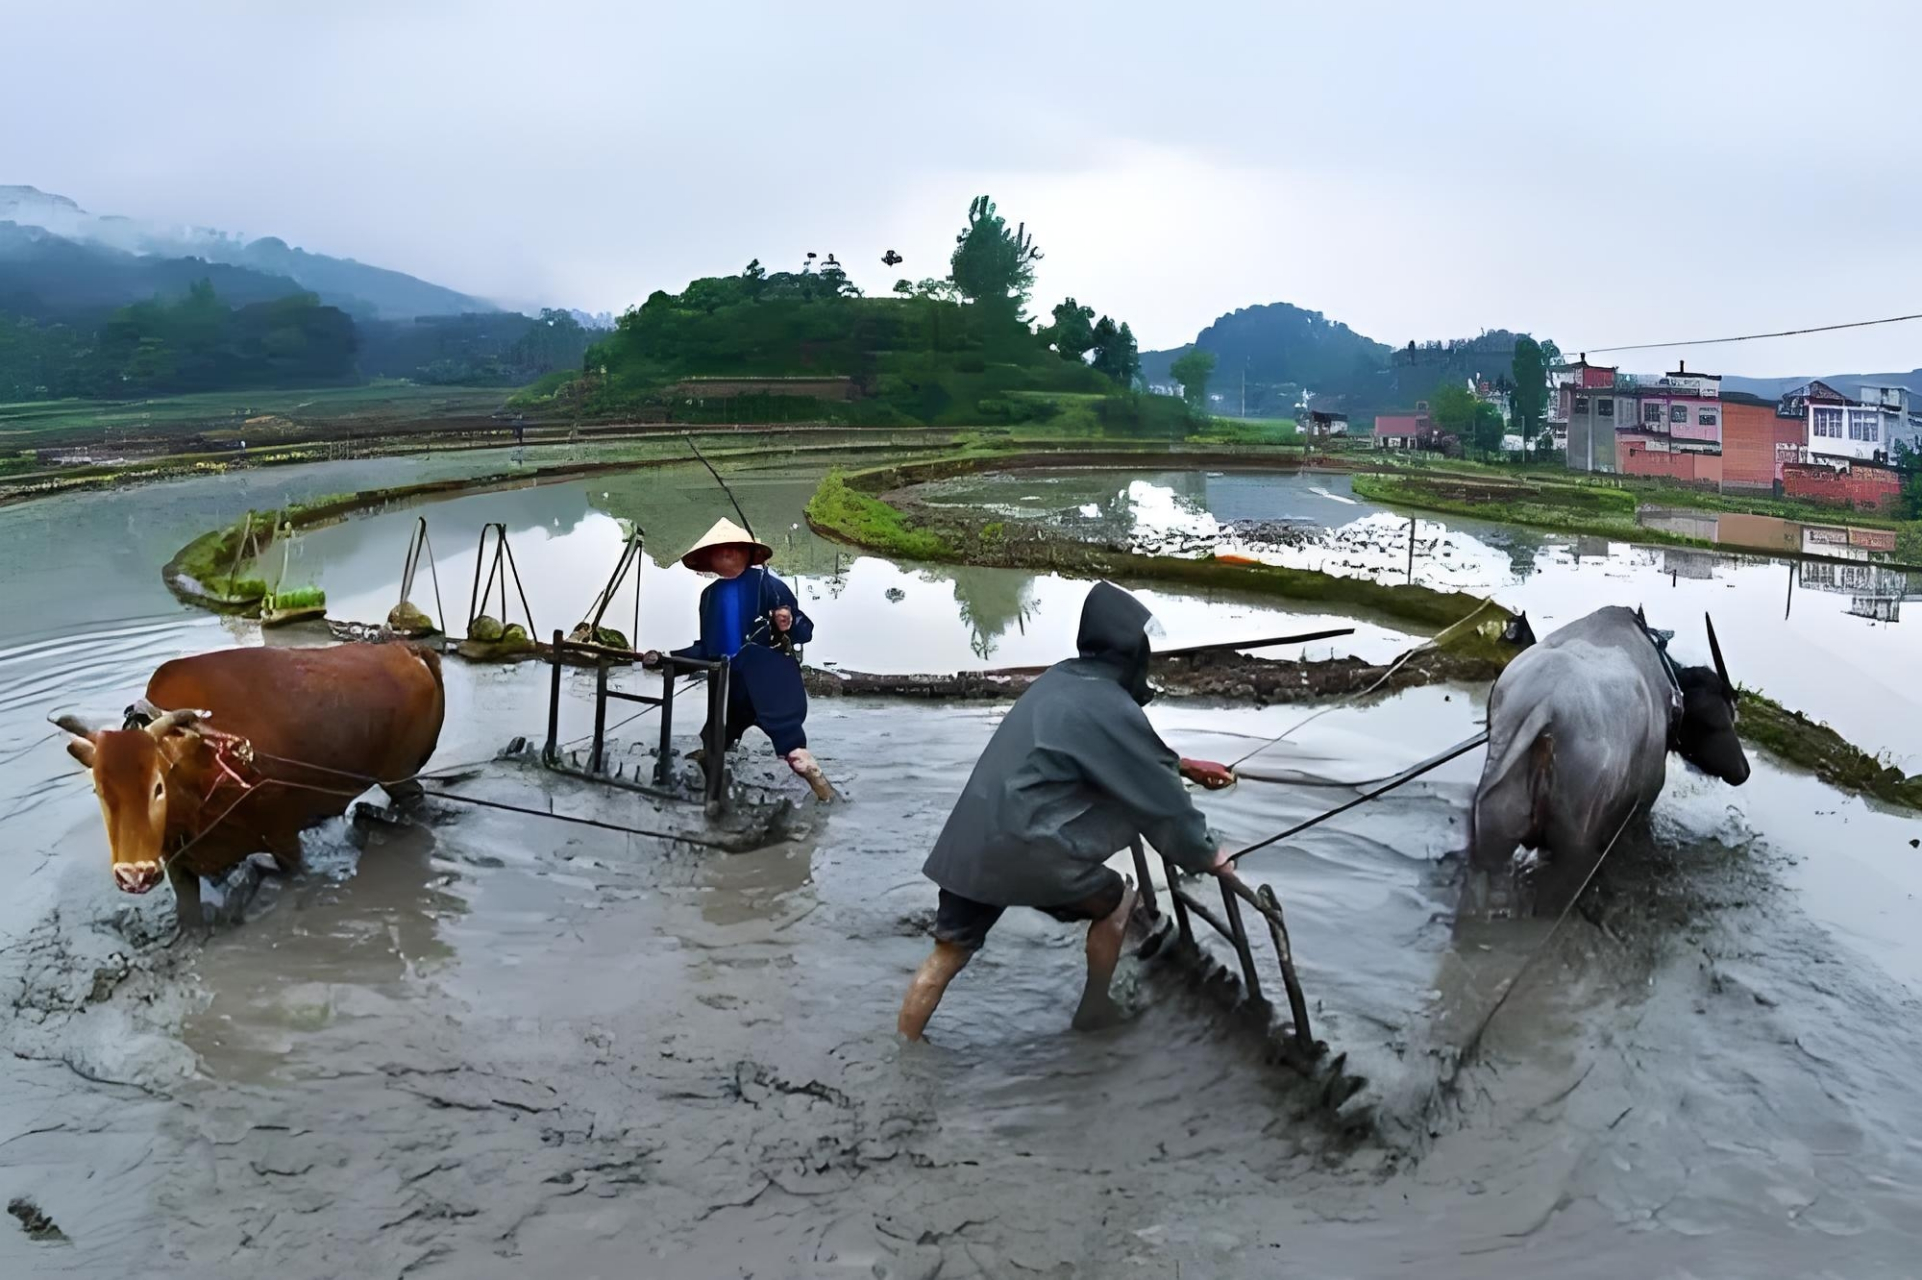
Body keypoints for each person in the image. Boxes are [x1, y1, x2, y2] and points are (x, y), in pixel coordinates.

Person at [898, 581, 1237, 1040]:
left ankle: (905, 1053)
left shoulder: (1061, 679)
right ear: (1131, 650)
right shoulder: (1111, 703)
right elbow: (1161, 797)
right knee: (1119, 902)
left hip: (973, 846)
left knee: (945, 958)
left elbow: (1115, 754)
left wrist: (1186, 765)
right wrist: (1211, 856)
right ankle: (1094, 1009)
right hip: (1028, 846)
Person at [643, 518, 831, 800]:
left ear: (747, 553)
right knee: (714, 742)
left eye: (734, 547)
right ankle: (716, 800)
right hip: (730, 687)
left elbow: (805, 632)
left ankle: (825, 793)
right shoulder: (709, 596)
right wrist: (667, 660)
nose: (727, 553)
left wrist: (788, 621)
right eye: (719, 549)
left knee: (794, 752)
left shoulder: (770, 585)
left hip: (770, 683)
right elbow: (707, 649)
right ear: (708, 559)